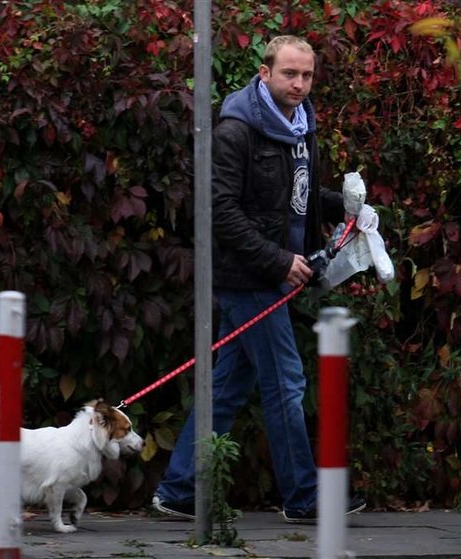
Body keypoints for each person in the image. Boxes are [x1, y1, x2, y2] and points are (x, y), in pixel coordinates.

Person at [152, 35, 366, 524]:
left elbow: (299, 197)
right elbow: (221, 212)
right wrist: (276, 262)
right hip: (249, 278)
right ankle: (304, 497)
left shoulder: (301, 125)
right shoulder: (237, 131)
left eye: (307, 75)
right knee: (286, 382)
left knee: (228, 386)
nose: (299, 84)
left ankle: (179, 489)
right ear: (265, 73)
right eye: (290, 73)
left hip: (276, 274)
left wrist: (350, 207)